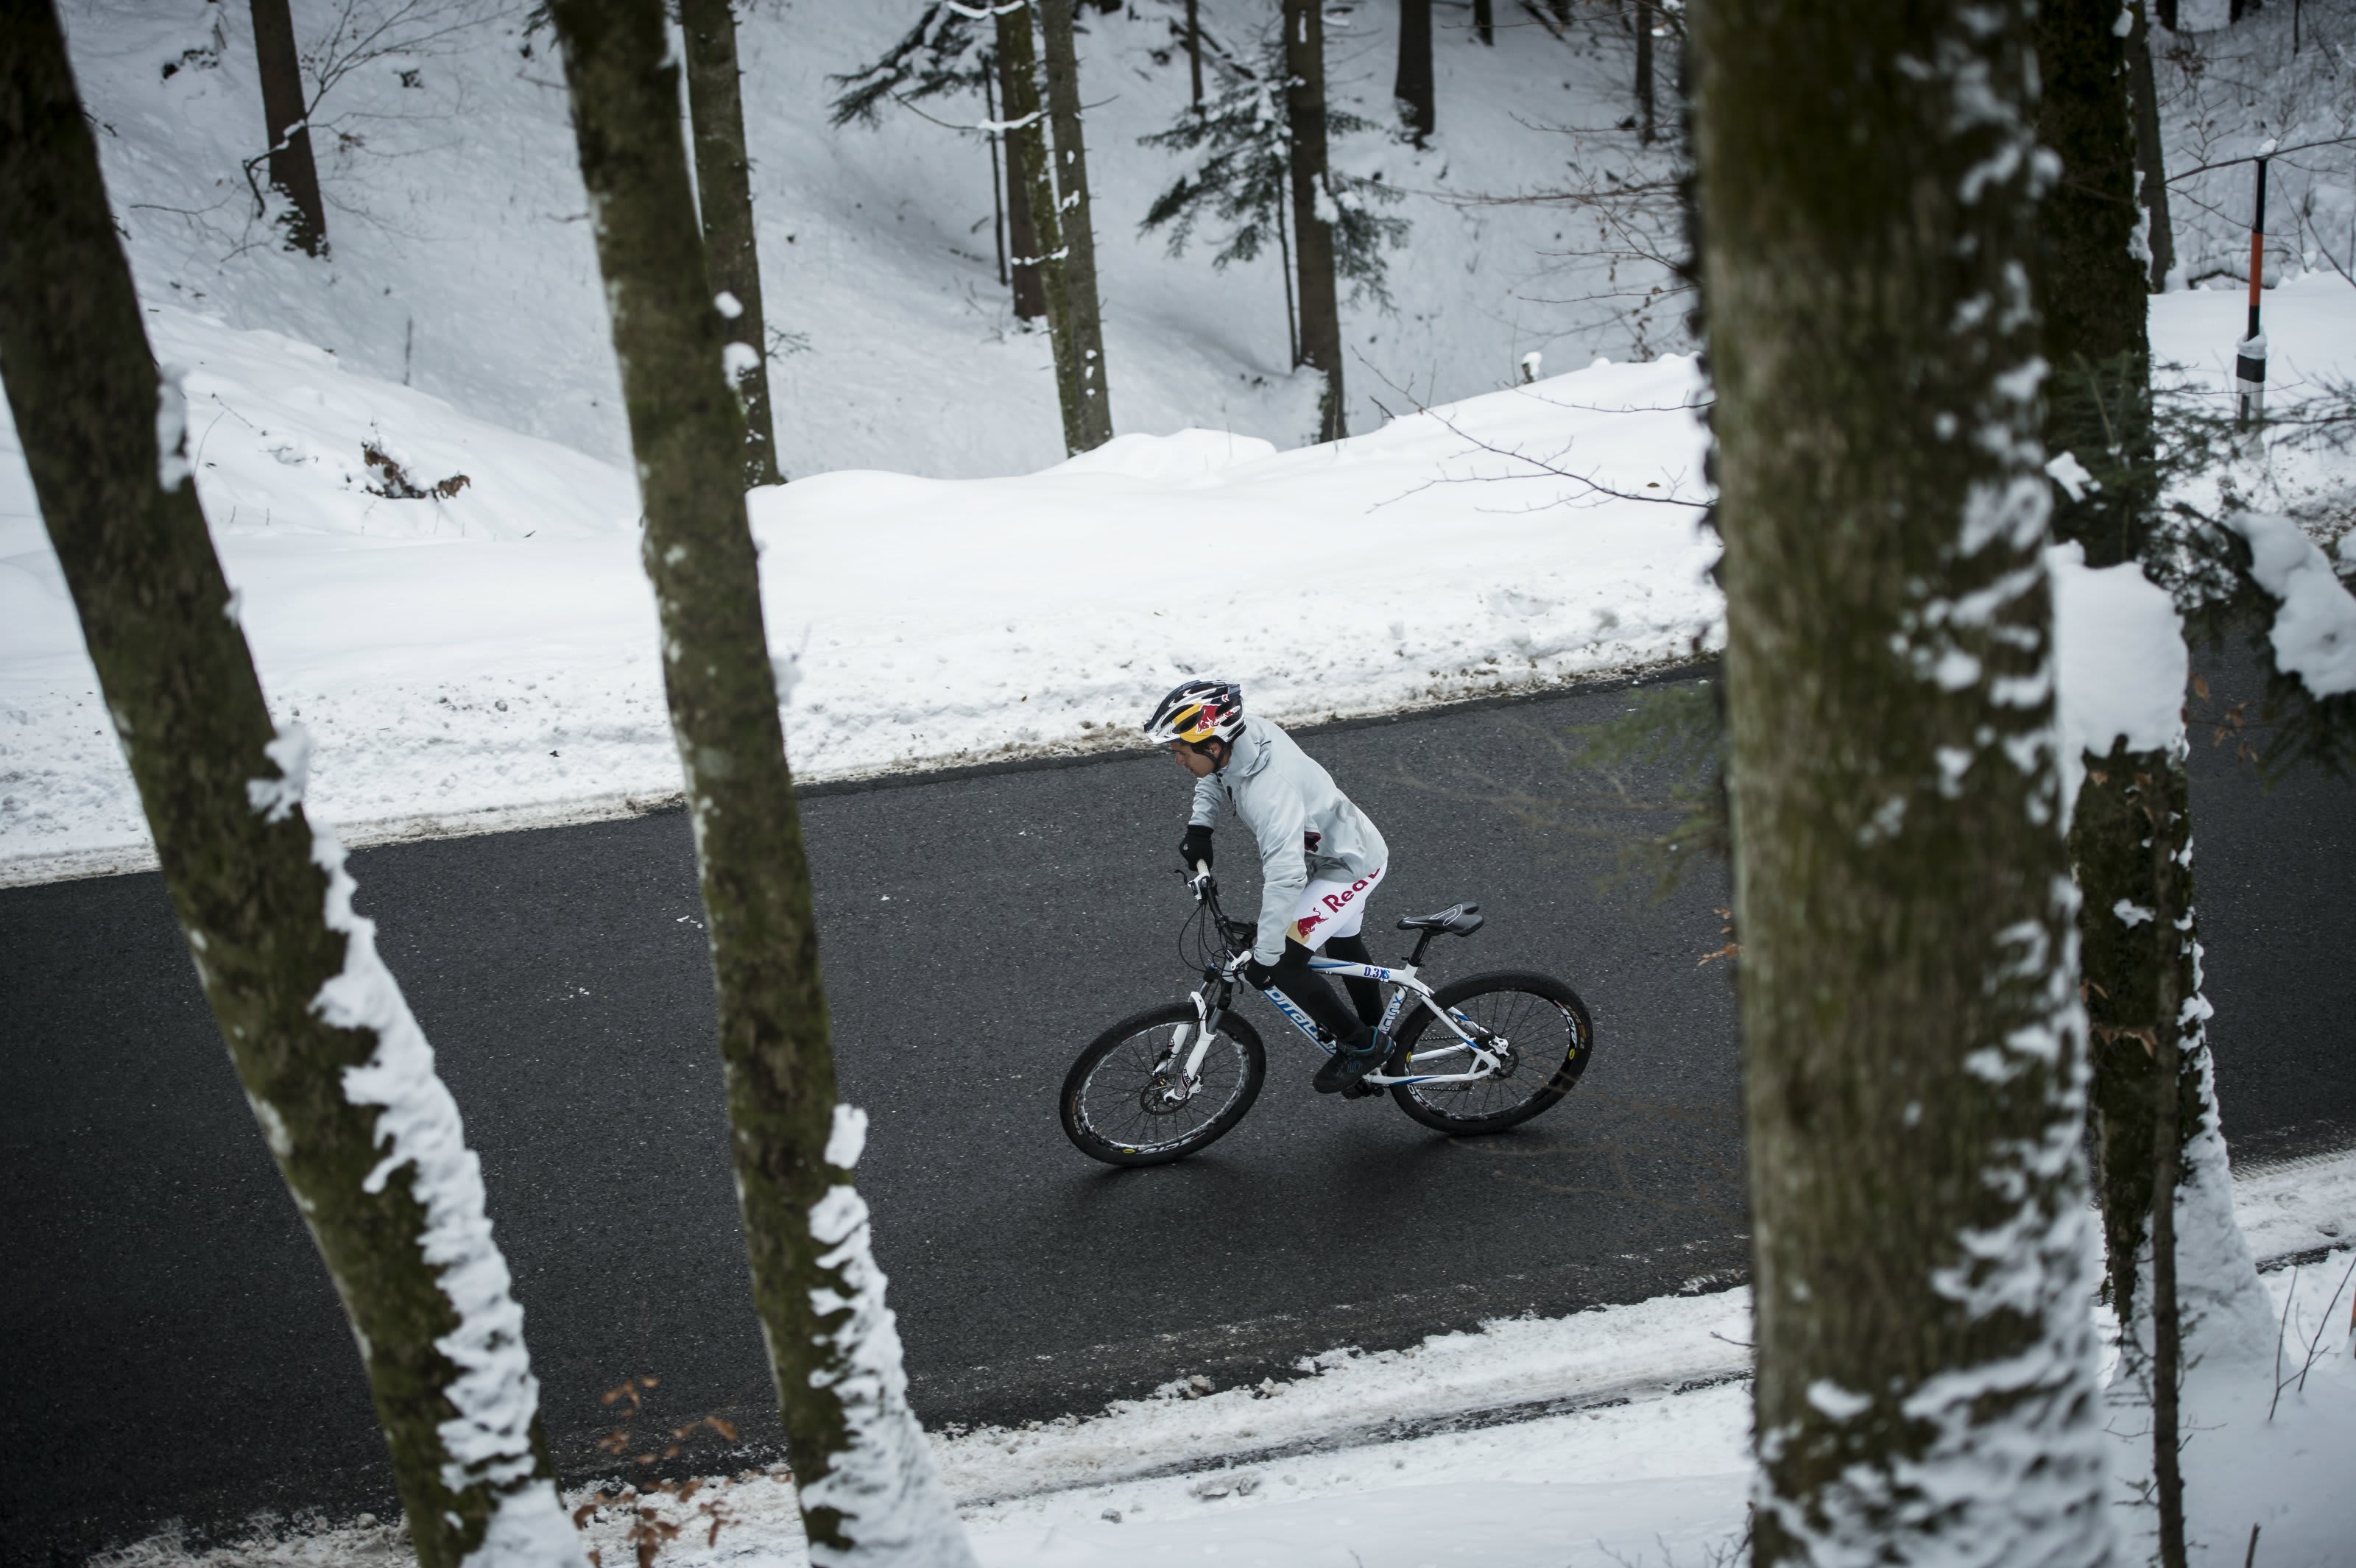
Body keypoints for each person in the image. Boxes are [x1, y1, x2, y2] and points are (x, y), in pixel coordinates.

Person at [1143, 678, 1391, 1095]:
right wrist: (1200, 826)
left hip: (1348, 865)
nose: (1178, 760)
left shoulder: (1271, 794)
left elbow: (1284, 877)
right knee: (1344, 947)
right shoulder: (1239, 740)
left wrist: (1269, 954)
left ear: (1212, 743)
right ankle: (1384, 1044)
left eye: (1181, 751)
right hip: (1335, 847)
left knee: (1285, 963)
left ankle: (1364, 1047)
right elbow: (1215, 776)